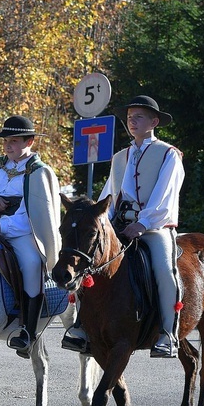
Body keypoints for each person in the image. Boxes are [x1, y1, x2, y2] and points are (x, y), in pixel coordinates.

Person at [62, 95, 185, 358]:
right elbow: (110, 194)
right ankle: (81, 326)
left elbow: (166, 195)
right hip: (118, 225)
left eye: (139, 117)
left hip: (155, 227)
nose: (132, 121)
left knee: (165, 269)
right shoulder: (120, 157)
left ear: (154, 121)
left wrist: (142, 224)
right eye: (130, 117)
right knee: (90, 259)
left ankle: (167, 333)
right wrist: (104, 222)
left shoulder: (169, 154)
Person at [0, 115, 61, 357]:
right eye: (6, 140)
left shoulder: (40, 172)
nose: (8, 145)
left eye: (15, 141)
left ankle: (28, 331)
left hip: (23, 232)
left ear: (29, 141)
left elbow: (34, 214)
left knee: (31, 263)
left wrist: (4, 227)